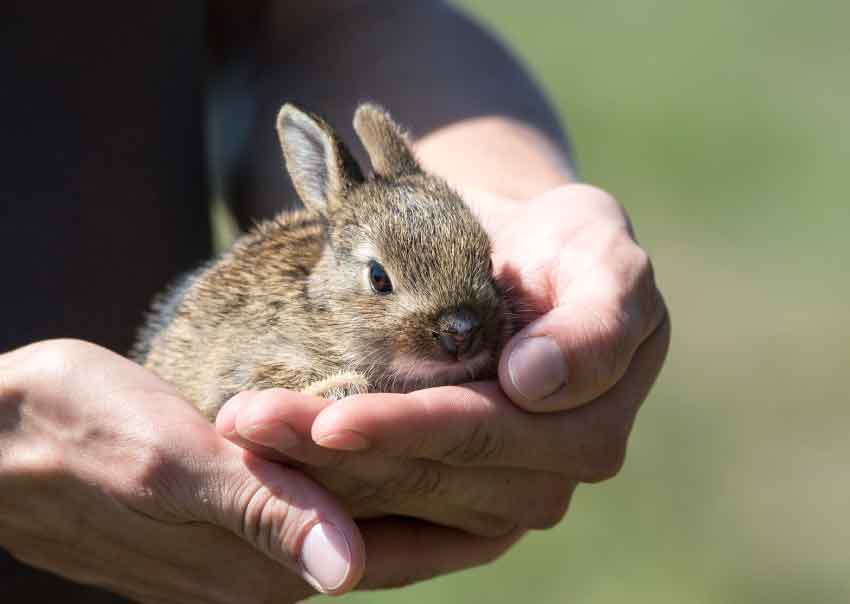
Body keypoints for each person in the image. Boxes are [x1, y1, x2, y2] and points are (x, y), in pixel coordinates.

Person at [0, 2, 670, 602]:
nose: (462, 330)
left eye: (483, 274)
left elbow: (309, 18)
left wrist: (518, 200)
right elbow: (227, 386)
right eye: (382, 283)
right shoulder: (295, 338)